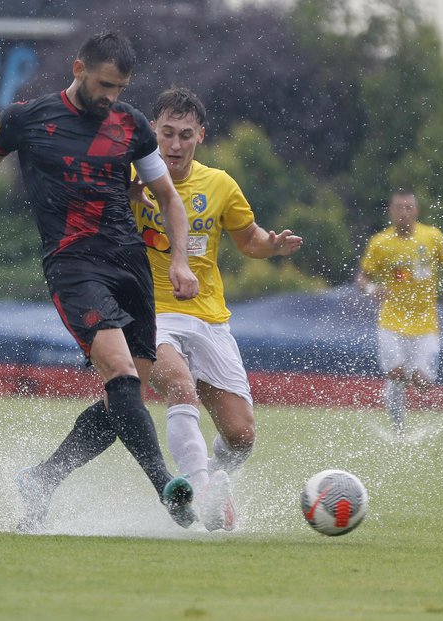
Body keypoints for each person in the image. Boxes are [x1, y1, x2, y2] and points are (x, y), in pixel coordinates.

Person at [0, 32, 201, 531]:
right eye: (105, 84)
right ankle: (165, 485)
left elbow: (168, 197)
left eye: (121, 86)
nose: (112, 95)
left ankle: (42, 478)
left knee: (123, 400)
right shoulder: (27, 118)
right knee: (119, 371)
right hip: (72, 264)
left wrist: (180, 261)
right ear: (78, 66)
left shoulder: (130, 124)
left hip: (129, 264)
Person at [130, 87, 303, 531]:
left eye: (185, 135)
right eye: (166, 133)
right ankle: (204, 491)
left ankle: (214, 477)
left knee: (242, 436)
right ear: (152, 131)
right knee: (180, 388)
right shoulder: (129, 177)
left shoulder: (220, 184)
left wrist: (274, 246)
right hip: (150, 313)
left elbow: (250, 241)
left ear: (200, 136)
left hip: (208, 319)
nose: (174, 144)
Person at [355, 189, 443, 435]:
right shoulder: (381, 243)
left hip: (425, 323)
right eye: (399, 208)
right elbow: (362, 277)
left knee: (422, 383)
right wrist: (372, 288)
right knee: (396, 373)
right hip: (392, 321)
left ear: (416, 210)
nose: (404, 213)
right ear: (391, 212)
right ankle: (399, 428)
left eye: (408, 208)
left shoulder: (432, 236)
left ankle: (399, 398)